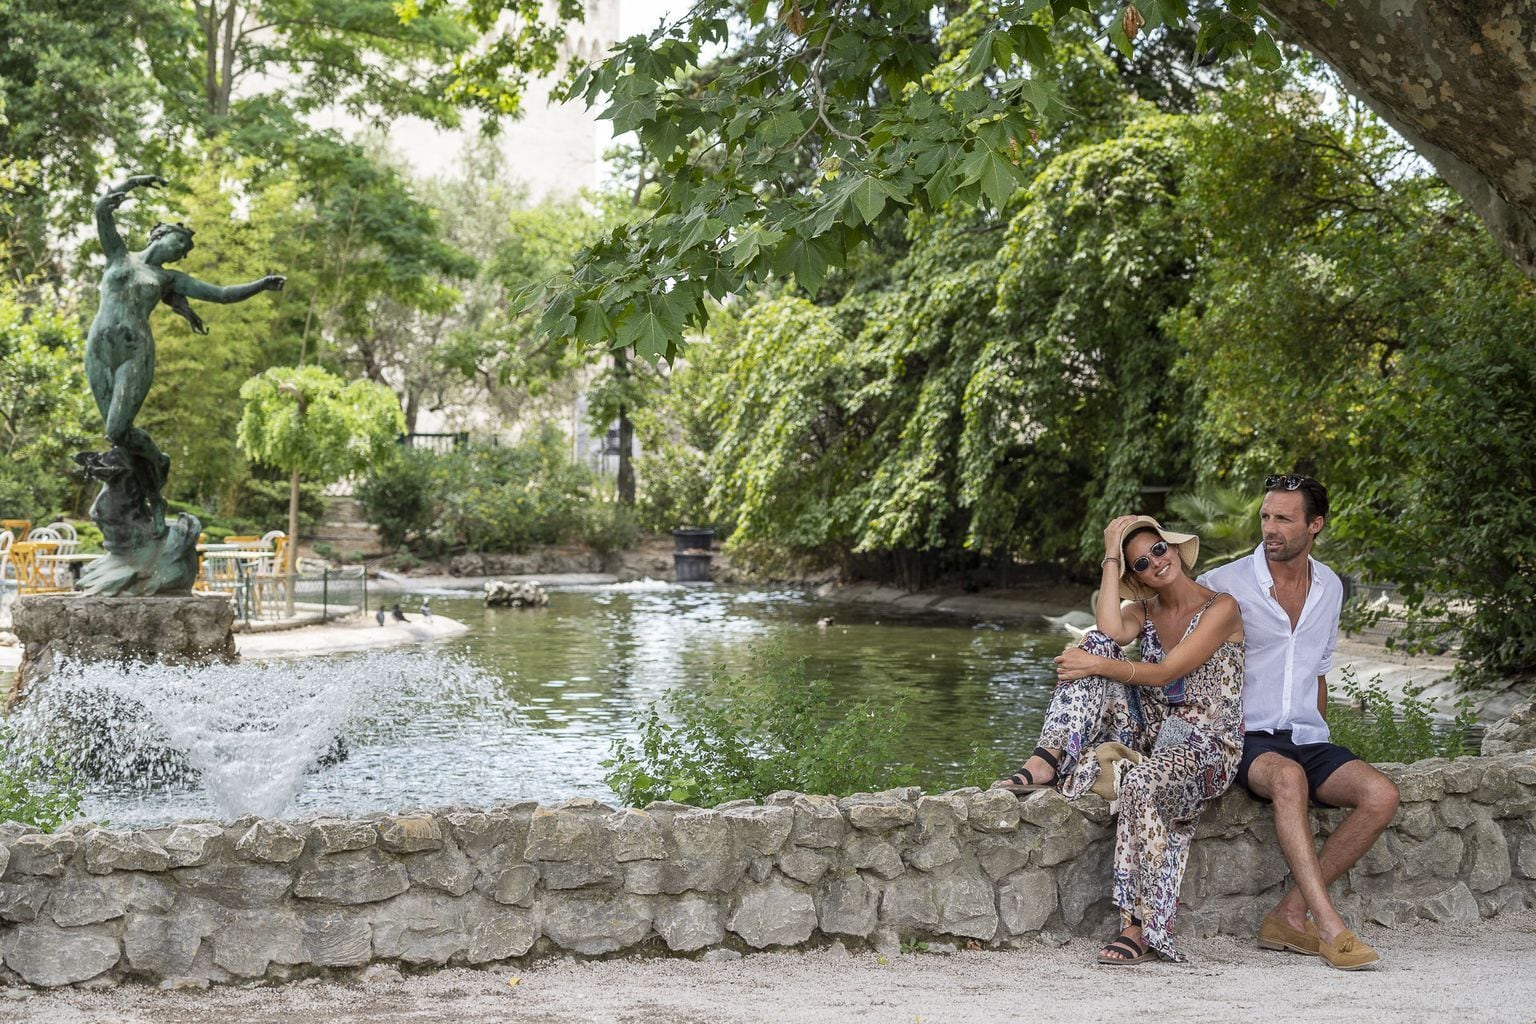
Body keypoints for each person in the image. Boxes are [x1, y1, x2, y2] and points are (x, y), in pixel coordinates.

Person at [993, 515, 1245, 964]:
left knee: (1139, 781)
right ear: (1137, 576)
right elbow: (1109, 633)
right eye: (1141, 563)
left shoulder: (1221, 607)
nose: (1155, 563)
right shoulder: (1144, 610)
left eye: (1158, 550)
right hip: (1154, 731)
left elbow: (1167, 672)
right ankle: (1046, 758)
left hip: (1206, 745)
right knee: (1096, 645)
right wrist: (1111, 555)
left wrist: (1095, 665)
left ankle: (1139, 925)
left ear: (1174, 548)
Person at [1198, 474, 1399, 971]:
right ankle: (1330, 928)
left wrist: (1320, 736)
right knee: (1288, 779)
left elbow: (1319, 670)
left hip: (1307, 734)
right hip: (1245, 735)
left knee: (1381, 795)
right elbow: (1180, 652)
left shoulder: (1330, 586)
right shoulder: (1222, 584)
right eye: (1266, 516)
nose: (1270, 528)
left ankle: (1288, 914)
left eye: (1284, 519)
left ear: (1315, 525)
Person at [86, 174, 285, 454]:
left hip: (135, 351)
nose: (182, 252)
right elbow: (101, 211)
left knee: (117, 431)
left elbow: (222, 294)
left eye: (185, 251)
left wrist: (261, 284)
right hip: (98, 346)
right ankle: (131, 474)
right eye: (180, 243)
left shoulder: (169, 279)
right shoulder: (118, 254)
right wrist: (134, 182)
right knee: (114, 435)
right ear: (160, 234)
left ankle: (156, 460)